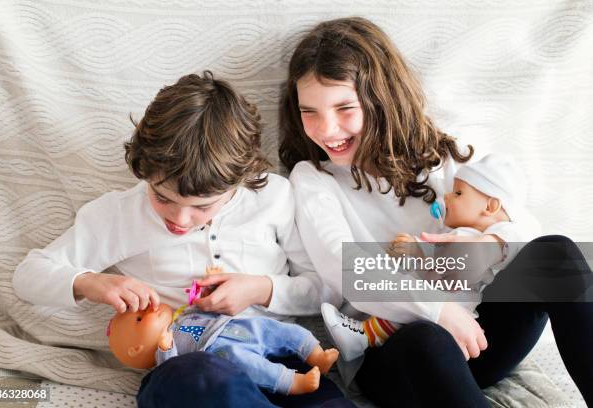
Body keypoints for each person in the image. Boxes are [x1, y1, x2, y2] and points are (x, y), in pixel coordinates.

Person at [279, 16, 593, 407]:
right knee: (428, 337)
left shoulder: (442, 159)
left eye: (345, 108)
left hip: (477, 336)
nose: (327, 130)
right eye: (310, 111)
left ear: (381, 101)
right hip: (398, 352)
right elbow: (346, 269)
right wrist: (438, 309)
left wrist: (491, 245)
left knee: (556, 252)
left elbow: (518, 223)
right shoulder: (313, 179)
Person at [12, 72, 351, 407]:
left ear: (241, 179)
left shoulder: (274, 197)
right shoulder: (119, 215)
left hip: (281, 360)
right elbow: (28, 275)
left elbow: (324, 287)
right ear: (144, 171)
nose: (180, 219)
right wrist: (91, 283)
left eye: (203, 206)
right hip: (189, 366)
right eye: (162, 198)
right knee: (202, 382)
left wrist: (263, 289)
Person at [320, 154, 531, 361]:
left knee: (412, 313)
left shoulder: (494, 238)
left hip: (457, 309)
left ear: (490, 206)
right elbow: (435, 273)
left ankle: (364, 336)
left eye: (458, 193)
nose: (447, 196)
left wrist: (420, 253)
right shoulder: (459, 235)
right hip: (442, 303)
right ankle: (364, 335)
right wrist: (417, 253)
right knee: (407, 305)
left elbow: (517, 240)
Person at [107, 300, 339, 395]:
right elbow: (175, 370)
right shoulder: (162, 354)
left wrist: (207, 297)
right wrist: (166, 348)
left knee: (278, 330)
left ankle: (314, 354)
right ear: (136, 348)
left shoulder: (182, 317)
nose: (150, 309)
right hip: (219, 351)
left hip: (239, 326)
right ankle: (293, 383)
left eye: (144, 307)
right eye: (140, 319)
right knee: (251, 366)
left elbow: (209, 310)